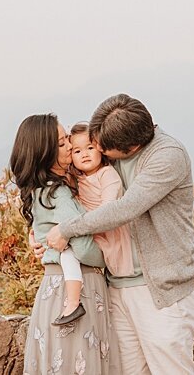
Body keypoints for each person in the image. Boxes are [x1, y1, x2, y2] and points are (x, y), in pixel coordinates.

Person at [44, 94, 194, 375]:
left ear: (131, 147)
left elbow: (126, 208)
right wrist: (47, 239)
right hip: (116, 287)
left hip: (160, 293)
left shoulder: (167, 156)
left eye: (104, 148)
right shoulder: (112, 143)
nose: (98, 152)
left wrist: (67, 230)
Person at [10, 113, 121, 375]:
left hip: (55, 286)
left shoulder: (46, 190)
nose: (70, 146)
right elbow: (82, 248)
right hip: (78, 289)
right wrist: (108, 259)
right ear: (45, 153)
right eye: (61, 144)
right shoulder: (57, 192)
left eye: (67, 139)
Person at [53, 122, 135, 325]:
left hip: (107, 236)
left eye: (90, 148)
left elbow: (108, 211)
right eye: (78, 150)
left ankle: (73, 303)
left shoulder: (107, 175)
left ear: (100, 148)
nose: (85, 154)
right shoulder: (74, 179)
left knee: (68, 252)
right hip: (89, 234)